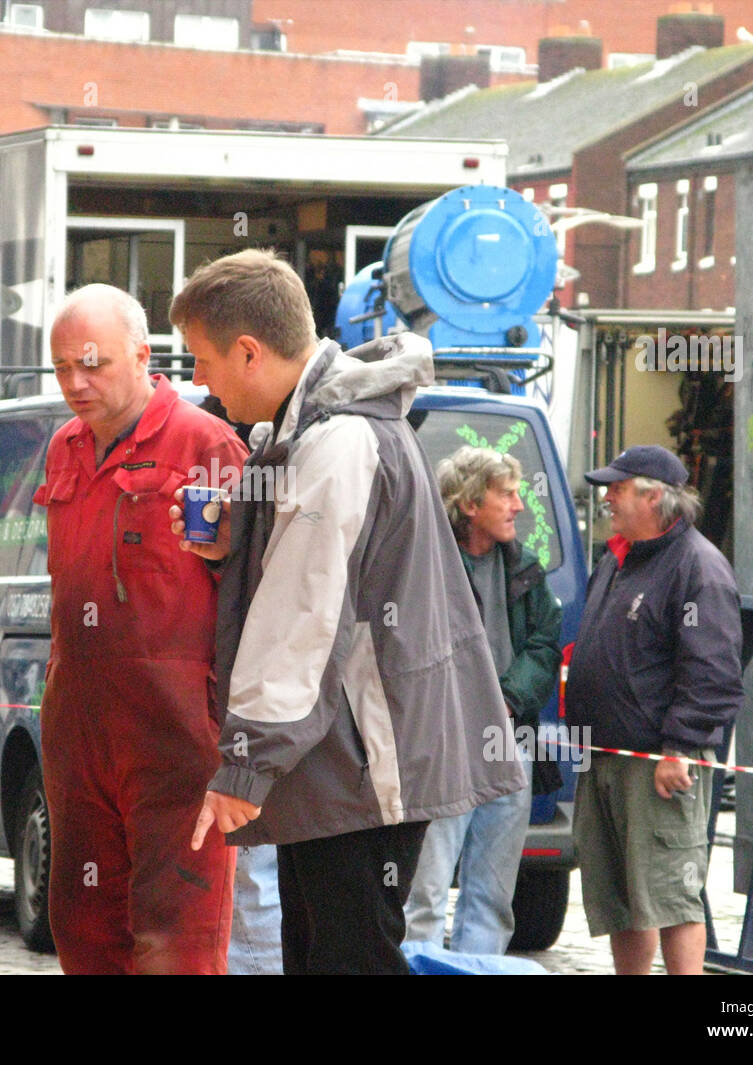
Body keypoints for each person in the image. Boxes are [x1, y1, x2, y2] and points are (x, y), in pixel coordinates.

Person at [170, 249, 524, 975]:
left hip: (363, 755)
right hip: (348, 755)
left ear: (248, 350)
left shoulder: (337, 440)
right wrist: (237, 540)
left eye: (202, 359)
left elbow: (305, 618)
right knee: (324, 956)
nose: (198, 380)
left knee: (347, 958)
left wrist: (245, 762)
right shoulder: (320, 431)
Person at [33, 284, 248, 974]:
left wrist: (240, 744)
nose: (75, 382)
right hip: (79, 736)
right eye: (62, 366)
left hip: (177, 744)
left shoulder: (205, 443)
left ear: (142, 355)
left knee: (175, 944)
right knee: (83, 931)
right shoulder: (64, 447)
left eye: (91, 363)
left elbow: (250, 600)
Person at [565, 444, 742, 975]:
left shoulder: (697, 566)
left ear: (654, 497)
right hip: (605, 756)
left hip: (656, 764)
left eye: (617, 489)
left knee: (670, 895)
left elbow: (712, 671)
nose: (607, 499)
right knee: (622, 898)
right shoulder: (618, 557)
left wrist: (680, 747)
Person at [404, 446, 562, 954]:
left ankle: (479, 968)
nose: (519, 506)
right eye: (507, 494)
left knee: (493, 893)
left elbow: (544, 646)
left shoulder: (526, 567)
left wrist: (508, 702)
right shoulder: (427, 563)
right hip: (443, 745)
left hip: (508, 743)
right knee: (424, 890)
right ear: (471, 503)